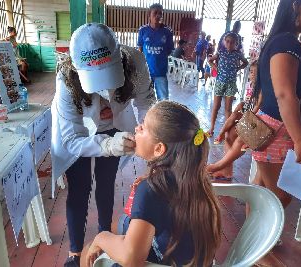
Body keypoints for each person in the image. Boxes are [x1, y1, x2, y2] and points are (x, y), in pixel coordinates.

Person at [51, 23, 155, 267]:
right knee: (79, 188)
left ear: (119, 57)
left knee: (106, 182)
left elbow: (147, 105)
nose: (106, 91)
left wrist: (152, 137)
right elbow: (71, 140)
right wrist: (107, 146)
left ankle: (103, 236)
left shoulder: (136, 62)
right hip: (79, 130)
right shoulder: (66, 80)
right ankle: (75, 252)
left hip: (115, 125)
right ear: (78, 69)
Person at [86, 101, 221, 267]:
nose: (137, 128)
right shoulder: (196, 180)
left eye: (143, 127)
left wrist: (101, 238)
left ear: (158, 149)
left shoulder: (151, 189)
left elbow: (131, 259)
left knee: (90, 252)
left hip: (161, 261)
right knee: (118, 224)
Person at [250, 0, 301, 208]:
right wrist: (300, 141)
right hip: (277, 132)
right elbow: (284, 94)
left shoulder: (286, 42)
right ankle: (264, 239)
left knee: (262, 188)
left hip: (278, 129)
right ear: (296, 6)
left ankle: (258, 237)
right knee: (279, 197)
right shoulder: (286, 44)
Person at [207, 61, 261, 179]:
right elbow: (246, 101)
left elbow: (258, 106)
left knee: (234, 118)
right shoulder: (249, 85)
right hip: (247, 114)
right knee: (229, 135)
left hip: (254, 120)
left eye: (256, 73)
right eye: (251, 72)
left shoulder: (261, 88)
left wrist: (248, 116)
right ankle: (227, 171)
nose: (253, 75)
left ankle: (220, 164)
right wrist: (241, 105)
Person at [208, 32, 248, 137]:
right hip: (220, 83)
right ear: (224, 42)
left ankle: (226, 132)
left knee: (228, 109)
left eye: (232, 42)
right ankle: (211, 128)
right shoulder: (221, 52)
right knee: (216, 106)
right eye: (228, 41)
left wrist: (238, 68)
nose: (230, 44)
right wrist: (215, 67)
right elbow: (210, 60)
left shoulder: (238, 54)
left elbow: (246, 62)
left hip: (231, 84)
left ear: (236, 44)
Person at [138, 3, 174, 100]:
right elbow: (140, 50)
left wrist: (159, 58)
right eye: (155, 13)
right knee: (146, 100)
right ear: (149, 15)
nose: (158, 16)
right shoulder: (143, 30)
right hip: (146, 72)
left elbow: (169, 50)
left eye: (160, 13)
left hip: (160, 73)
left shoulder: (167, 31)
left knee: (163, 101)